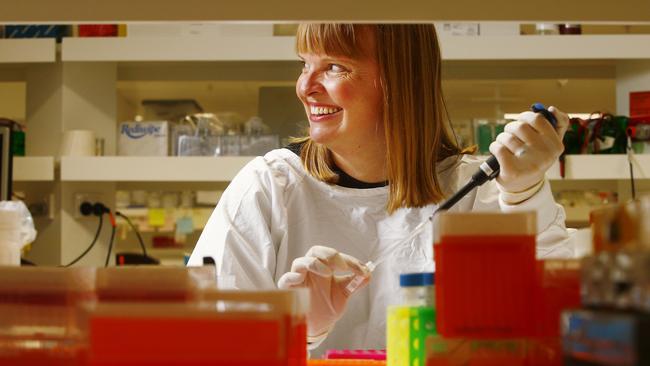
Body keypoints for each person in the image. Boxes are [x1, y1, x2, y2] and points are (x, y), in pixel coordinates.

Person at [188, 24, 573, 356]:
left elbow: (559, 331)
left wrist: (526, 195)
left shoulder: (480, 190)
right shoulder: (269, 187)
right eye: (305, 64)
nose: (305, 87)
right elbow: (206, 345)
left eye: (335, 66)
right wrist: (298, 333)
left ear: (400, 79)